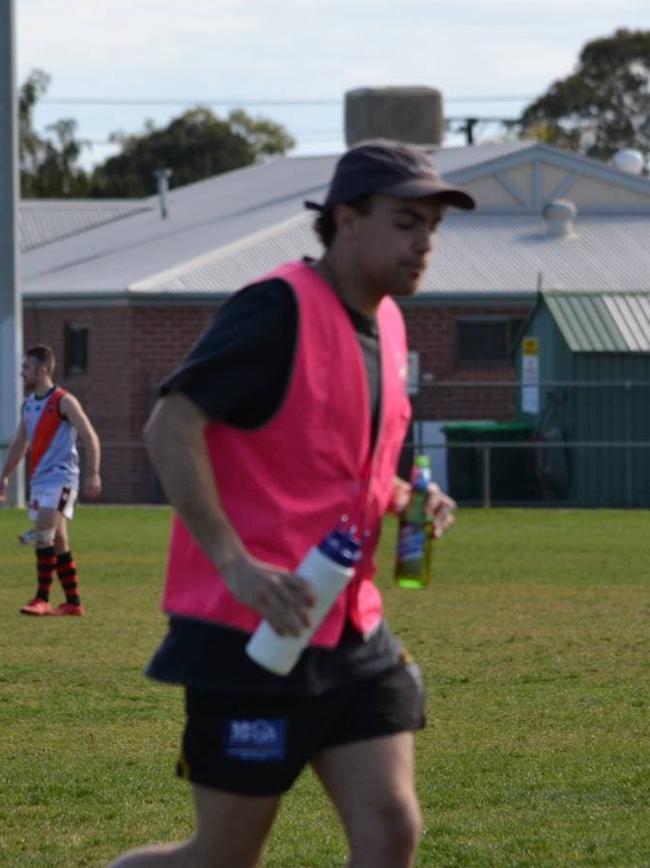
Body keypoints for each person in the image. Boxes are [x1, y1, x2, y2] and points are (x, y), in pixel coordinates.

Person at [109, 139, 476, 868]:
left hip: (348, 629)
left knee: (391, 831)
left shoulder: (391, 324)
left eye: (432, 225)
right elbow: (170, 425)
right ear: (345, 220)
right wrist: (234, 563)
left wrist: (408, 499)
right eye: (406, 223)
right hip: (250, 632)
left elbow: (336, 463)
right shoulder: (275, 309)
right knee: (222, 858)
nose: (424, 242)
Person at [0, 344, 102, 616]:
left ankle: (41, 598)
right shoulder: (29, 405)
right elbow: (20, 443)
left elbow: (90, 436)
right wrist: (5, 475)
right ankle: (73, 602)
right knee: (58, 542)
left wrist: (93, 473)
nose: (22, 373)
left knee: (43, 532)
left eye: (26, 367)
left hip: (63, 478)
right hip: (40, 480)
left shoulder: (63, 401)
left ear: (41, 369)